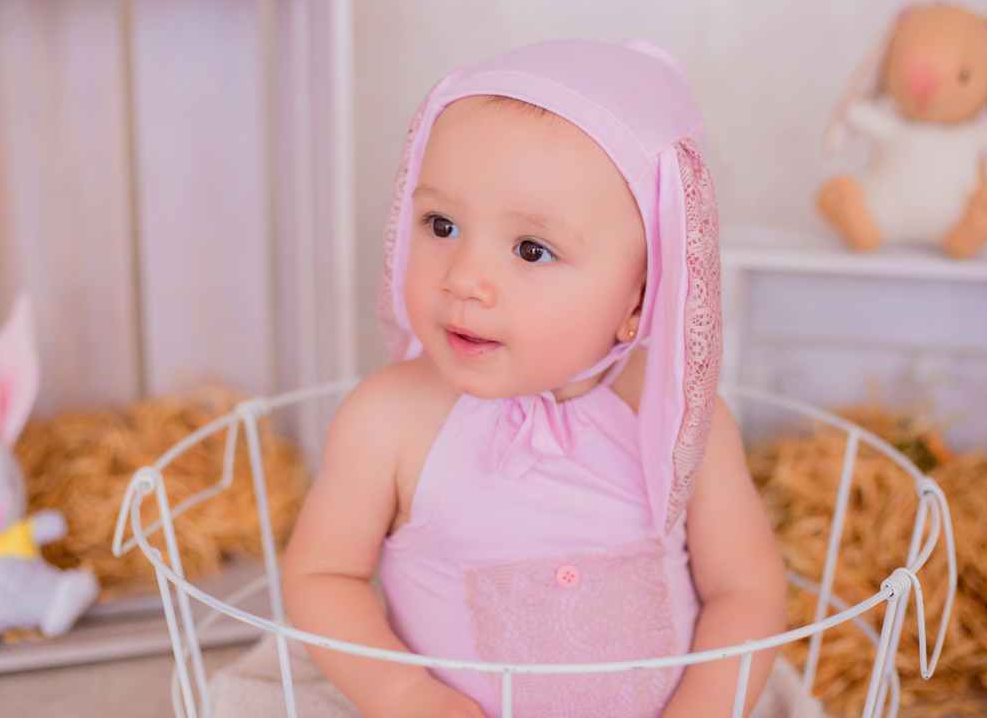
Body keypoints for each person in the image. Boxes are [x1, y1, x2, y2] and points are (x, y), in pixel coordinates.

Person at [281, 39, 786, 718]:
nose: (464, 278)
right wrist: (401, 693)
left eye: (531, 249)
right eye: (442, 225)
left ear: (639, 299)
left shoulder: (675, 417)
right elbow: (323, 575)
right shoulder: (389, 420)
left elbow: (744, 590)